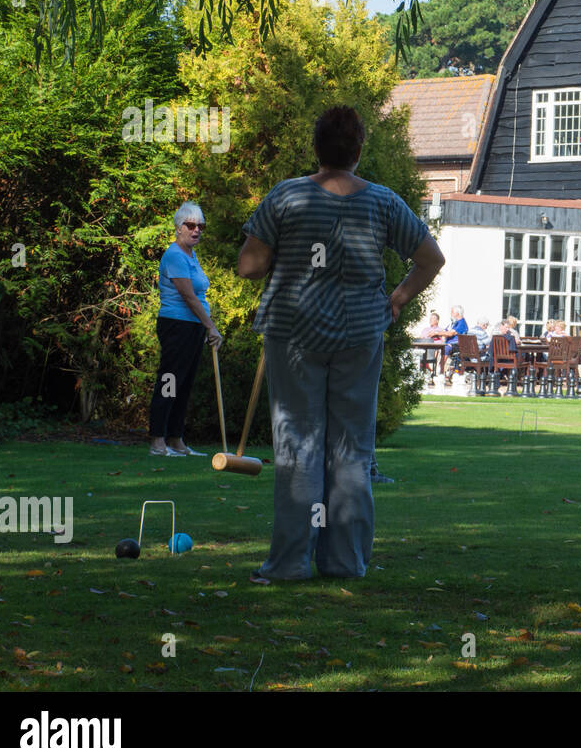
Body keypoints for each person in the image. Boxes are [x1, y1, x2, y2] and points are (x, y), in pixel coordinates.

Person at [237, 105, 444, 582]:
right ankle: (346, 561)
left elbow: (249, 266)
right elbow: (431, 258)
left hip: (294, 332)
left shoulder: (286, 197)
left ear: (316, 148)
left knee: (298, 445)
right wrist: (397, 297)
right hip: (360, 333)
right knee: (351, 448)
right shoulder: (384, 202)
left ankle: (289, 563)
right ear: (358, 150)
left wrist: (279, 254)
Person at [149, 201, 223, 457]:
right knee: (169, 381)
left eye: (200, 226)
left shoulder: (191, 256)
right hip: (176, 325)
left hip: (192, 328)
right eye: (190, 225)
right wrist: (211, 326)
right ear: (178, 227)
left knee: (184, 383)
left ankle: (176, 439)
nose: (196, 230)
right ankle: (158, 441)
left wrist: (204, 327)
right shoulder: (174, 255)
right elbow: (189, 296)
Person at [438, 305, 468, 379]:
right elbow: (445, 331)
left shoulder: (461, 323)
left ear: (457, 313)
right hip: (450, 344)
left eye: (452, 312)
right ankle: (437, 369)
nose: (451, 314)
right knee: (438, 346)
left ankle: (440, 371)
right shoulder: (454, 323)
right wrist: (439, 334)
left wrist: (437, 333)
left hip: (457, 346)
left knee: (445, 348)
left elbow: (451, 333)